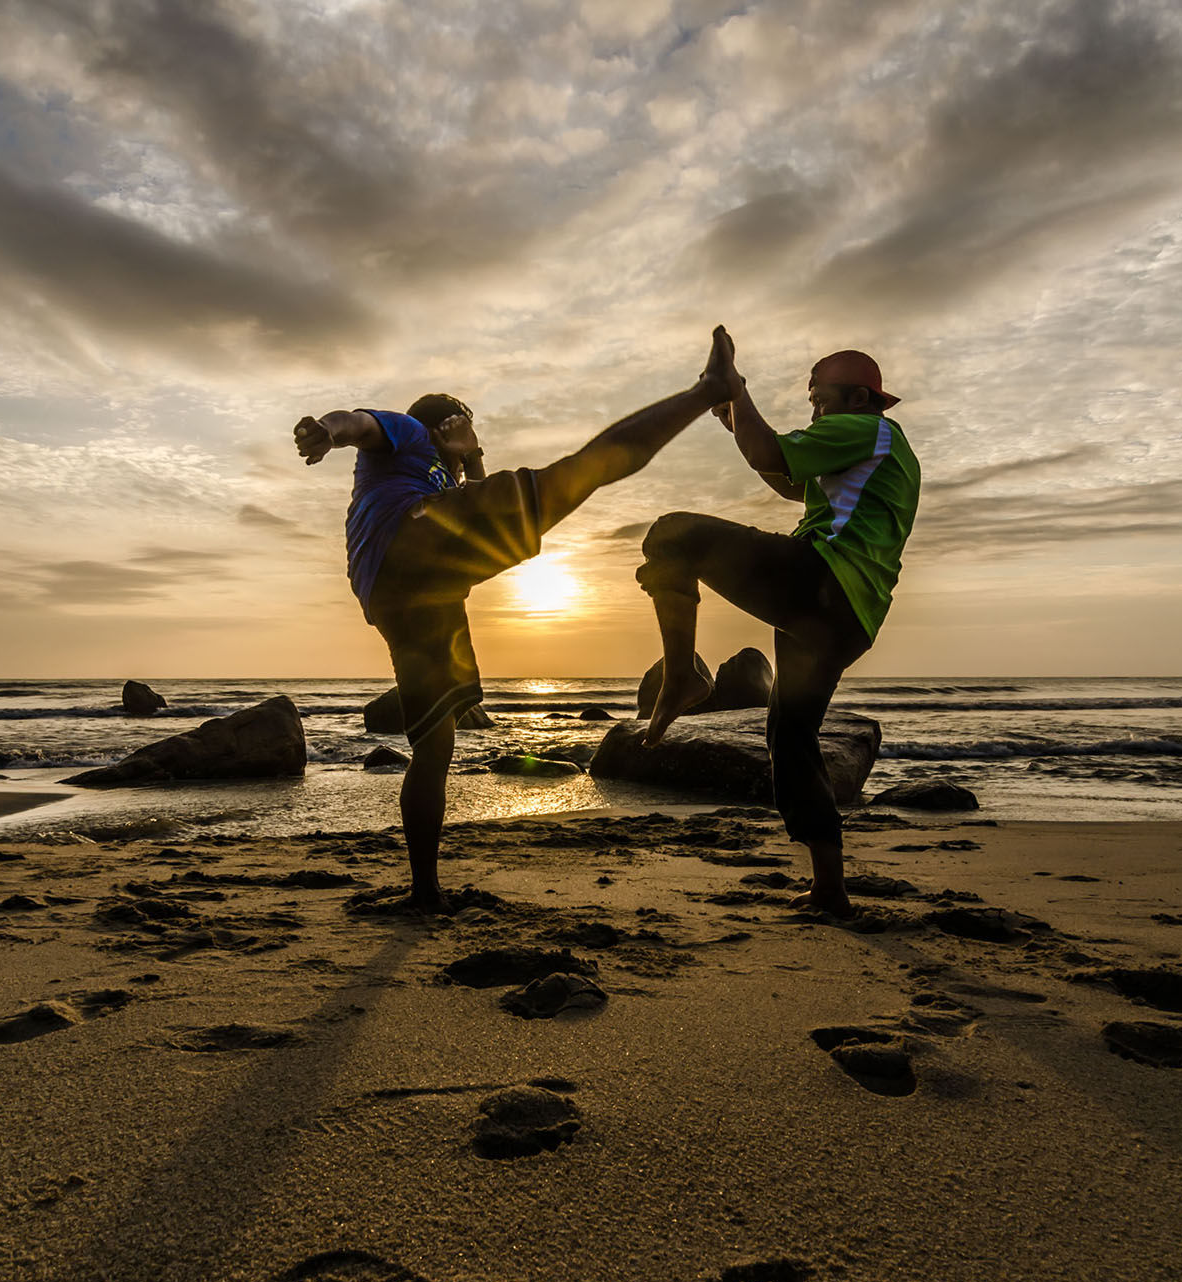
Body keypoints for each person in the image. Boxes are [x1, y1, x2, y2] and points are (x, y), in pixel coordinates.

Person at [296, 327, 742, 911]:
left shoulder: (445, 478)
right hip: (411, 548)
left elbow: (485, 517)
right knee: (582, 471)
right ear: (443, 423)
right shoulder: (408, 437)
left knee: (435, 746)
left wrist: (473, 456)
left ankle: (424, 892)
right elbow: (356, 422)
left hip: (416, 600)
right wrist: (326, 433)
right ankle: (708, 390)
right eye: (460, 425)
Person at [636, 336, 919, 918]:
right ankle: (830, 890)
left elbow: (772, 450)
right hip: (845, 619)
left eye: (820, 401)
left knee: (672, 534)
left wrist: (738, 391)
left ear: (860, 397)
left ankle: (682, 677)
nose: (814, 412)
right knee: (791, 740)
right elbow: (787, 479)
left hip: (823, 583)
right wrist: (734, 416)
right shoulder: (868, 449)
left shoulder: (871, 429)